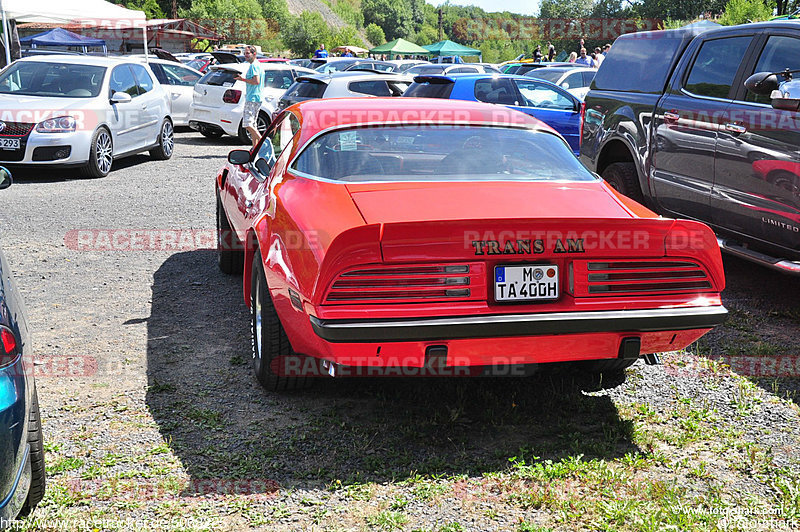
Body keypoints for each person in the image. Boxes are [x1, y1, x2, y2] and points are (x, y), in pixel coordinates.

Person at [234, 45, 263, 150]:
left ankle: (263, 143)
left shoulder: (254, 66)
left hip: (252, 98)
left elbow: (256, 81)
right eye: (244, 53)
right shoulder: (258, 65)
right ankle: (255, 149)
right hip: (257, 98)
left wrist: (243, 80)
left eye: (247, 53)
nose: (245, 55)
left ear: (254, 54)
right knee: (253, 125)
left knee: (247, 124)